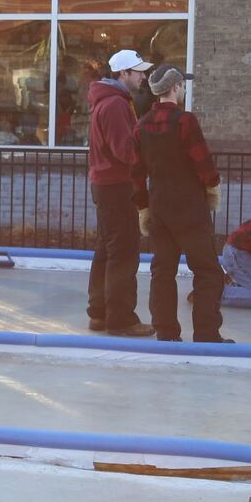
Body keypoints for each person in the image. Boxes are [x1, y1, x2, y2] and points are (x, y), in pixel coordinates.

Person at [131, 67, 229, 343]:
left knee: (162, 272)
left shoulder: (141, 125)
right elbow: (203, 162)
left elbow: (135, 172)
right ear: (175, 87)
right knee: (207, 271)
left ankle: (166, 332)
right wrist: (212, 189)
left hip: (159, 207)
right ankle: (206, 333)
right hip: (190, 207)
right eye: (183, 85)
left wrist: (143, 207)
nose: (184, 89)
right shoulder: (185, 121)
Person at [85, 48, 154, 338]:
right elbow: (124, 150)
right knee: (123, 252)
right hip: (117, 185)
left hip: (106, 184)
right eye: (139, 72)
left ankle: (100, 313)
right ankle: (121, 319)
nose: (144, 77)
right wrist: (150, 157)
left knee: (108, 250)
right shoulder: (115, 104)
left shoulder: (109, 100)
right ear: (123, 73)